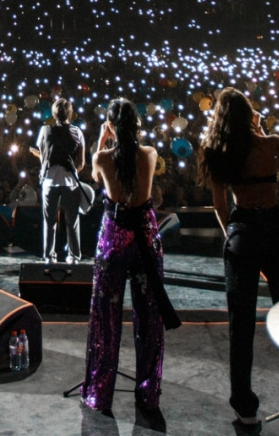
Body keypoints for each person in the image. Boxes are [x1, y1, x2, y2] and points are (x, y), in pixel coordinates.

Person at [197, 89, 279, 433]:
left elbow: (220, 204)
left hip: (242, 228)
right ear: (249, 113)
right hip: (273, 226)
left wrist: (233, 234)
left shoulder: (215, 150)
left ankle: (246, 410)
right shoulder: (271, 143)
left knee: (241, 324)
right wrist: (257, 129)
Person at [82, 99, 171, 421]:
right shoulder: (149, 154)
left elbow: (94, 177)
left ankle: (100, 392)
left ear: (111, 125)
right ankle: (148, 393)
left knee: (106, 318)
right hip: (145, 236)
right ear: (136, 125)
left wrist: (103, 140)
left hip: (115, 237)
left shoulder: (102, 158)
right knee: (149, 319)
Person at [36, 97, 86, 262]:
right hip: (70, 183)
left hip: (50, 181)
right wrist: (72, 171)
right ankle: (74, 256)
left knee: (49, 222)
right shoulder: (77, 132)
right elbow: (81, 162)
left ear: (54, 114)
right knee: (72, 222)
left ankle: (49, 256)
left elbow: (43, 156)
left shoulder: (45, 130)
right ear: (70, 113)